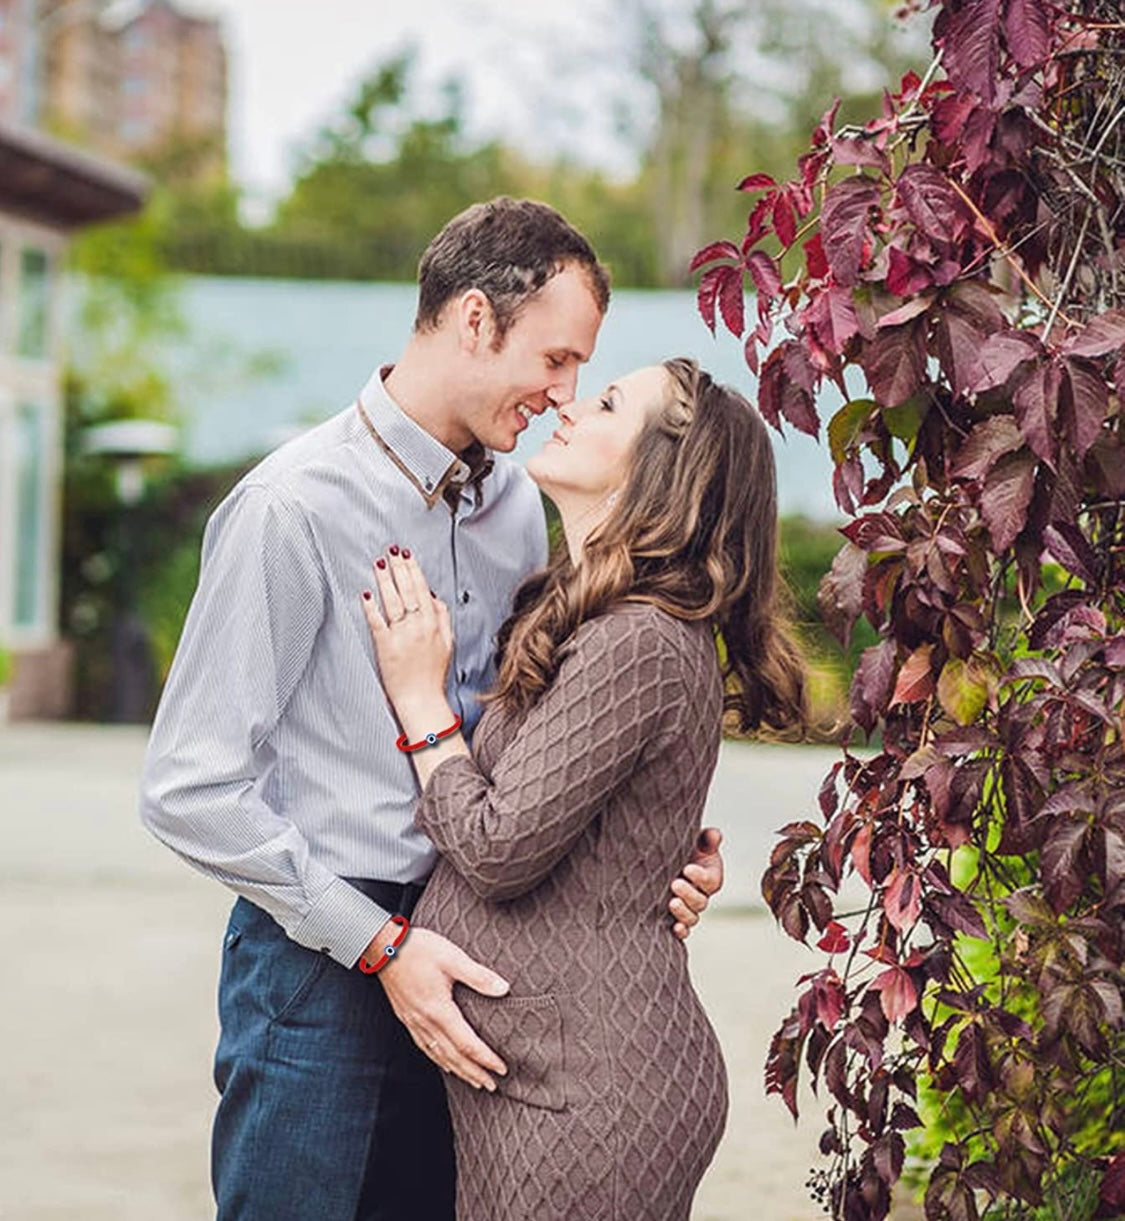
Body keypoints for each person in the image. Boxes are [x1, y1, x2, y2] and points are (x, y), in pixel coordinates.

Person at [139, 198, 726, 1221]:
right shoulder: (293, 509)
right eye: (554, 359)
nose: (563, 395)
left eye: (583, 373)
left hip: (489, 960)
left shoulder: (514, 502)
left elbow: (539, 743)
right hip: (323, 965)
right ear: (471, 322)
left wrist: (649, 853)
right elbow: (188, 788)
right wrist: (379, 943)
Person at [360, 357, 809, 1220]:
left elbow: (497, 846)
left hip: (588, 1095)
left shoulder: (637, 639)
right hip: (548, 1078)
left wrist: (419, 698)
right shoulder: (597, 617)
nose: (569, 402)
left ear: (658, 473)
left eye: (605, 401)